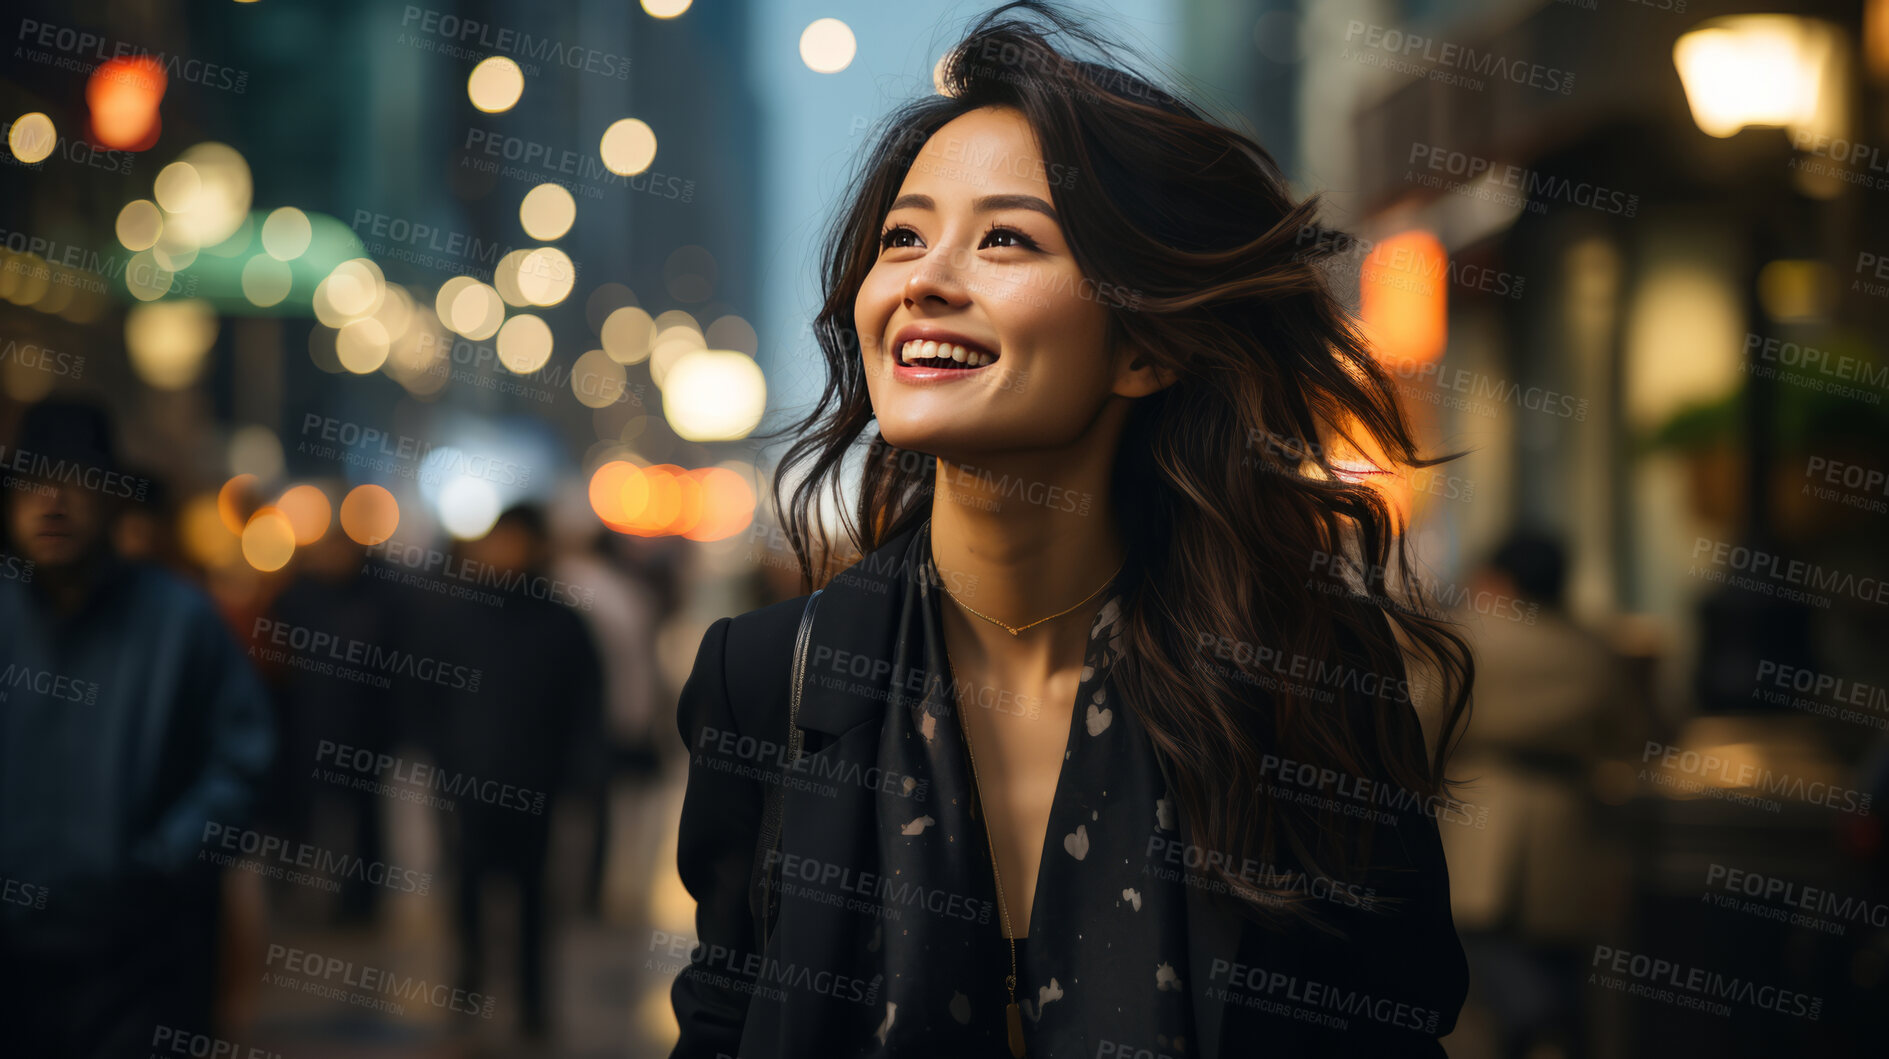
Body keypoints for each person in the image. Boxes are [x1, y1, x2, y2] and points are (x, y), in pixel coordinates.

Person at [668, 5, 1474, 1057]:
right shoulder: (765, 676)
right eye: (902, 237)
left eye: (1004, 238)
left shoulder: (1302, 683)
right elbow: (726, 1023)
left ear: (1144, 349)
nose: (922, 282)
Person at [0, 398, 274, 1056]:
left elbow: (242, 761)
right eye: (30, 480)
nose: (52, 501)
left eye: (76, 478)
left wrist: (163, 861)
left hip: (142, 960)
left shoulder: (180, 623)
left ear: (117, 499)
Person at [1441, 530, 1646, 1059]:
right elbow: (1631, 736)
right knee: (1560, 956)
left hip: (1477, 811)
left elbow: (1418, 724)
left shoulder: (1465, 640)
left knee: (1483, 951)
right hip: (1567, 818)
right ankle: (1549, 1029)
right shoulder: (1593, 649)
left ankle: (1535, 1024)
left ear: (1500, 579)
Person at [404, 503, 603, 1040]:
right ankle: (468, 985)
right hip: (465, 784)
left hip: (537, 785)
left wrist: (579, 773)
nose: (505, 553)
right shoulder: (457, 615)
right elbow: (426, 692)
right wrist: (441, 758)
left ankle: (535, 1003)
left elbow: (587, 703)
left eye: (517, 541)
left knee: (536, 898)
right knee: (466, 888)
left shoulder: (562, 621)